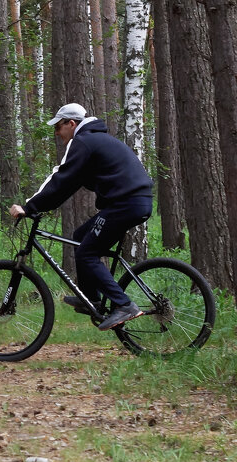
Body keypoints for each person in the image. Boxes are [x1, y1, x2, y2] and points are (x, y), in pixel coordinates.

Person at [9, 102, 153, 332]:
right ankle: (91, 300)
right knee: (80, 237)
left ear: (71, 123)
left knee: (87, 252)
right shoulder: (94, 141)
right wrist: (42, 205)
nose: (57, 133)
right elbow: (70, 184)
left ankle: (124, 305)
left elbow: (61, 178)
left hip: (126, 203)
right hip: (132, 201)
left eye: (58, 127)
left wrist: (30, 207)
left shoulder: (83, 141)